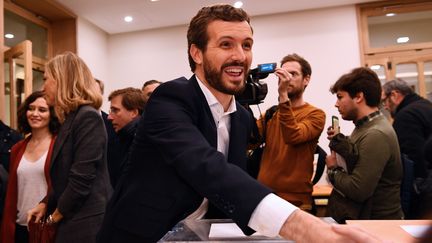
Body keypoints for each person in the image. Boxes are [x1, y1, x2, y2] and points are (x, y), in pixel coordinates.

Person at [97, 4, 384, 243]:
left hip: (197, 235)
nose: (240, 56)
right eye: (225, 44)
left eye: (246, 45)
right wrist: (310, 229)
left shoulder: (241, 115)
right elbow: (206, 167)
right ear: (196, 53)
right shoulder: (172, 97)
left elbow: (231, 187)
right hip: (140, 234)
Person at [27, 52, 112, 243]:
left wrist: (54, 217)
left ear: (62, 80)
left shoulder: (87, 117)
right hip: (76, 219)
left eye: (46, 79)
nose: (43, 87)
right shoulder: (71, 119)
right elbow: (64, 177)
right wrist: (45, 204)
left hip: (86, 223)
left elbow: (81, 180)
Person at [326, 67, 404, 223]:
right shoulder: (364, 127)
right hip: (367, 220)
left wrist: (333, 170)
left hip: (378, 225)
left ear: (359, 97)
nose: (336, 104)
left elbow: (358, 189)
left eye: (340, 97)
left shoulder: (376, 134)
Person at [257, 53, 325, 211]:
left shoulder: (315, 114)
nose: (287, 79)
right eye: (283, 74)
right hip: (265, 196)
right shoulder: (271, 113)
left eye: (293, 74)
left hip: (297, 201)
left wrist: (282, 95)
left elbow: (293, 136)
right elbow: (249, 142)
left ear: (306, 79)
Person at [0, 91, 59, 243]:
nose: (34, 113)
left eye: (42, 110)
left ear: (52, 114)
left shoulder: (59, 146)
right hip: (20, 226)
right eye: (31, 108)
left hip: (47, 227)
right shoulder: (17, 148)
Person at [381, 78, 432, 218]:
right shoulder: (426, 105)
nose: (385, 106)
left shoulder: (406, 116)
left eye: (384, 100)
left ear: (395, 95)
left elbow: (413, 161)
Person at [107, 87, 145, 187]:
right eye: (110, 110)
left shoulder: (144, 143)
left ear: (134, 113)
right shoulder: (121, 138)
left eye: (115, 110)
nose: (109, 117)